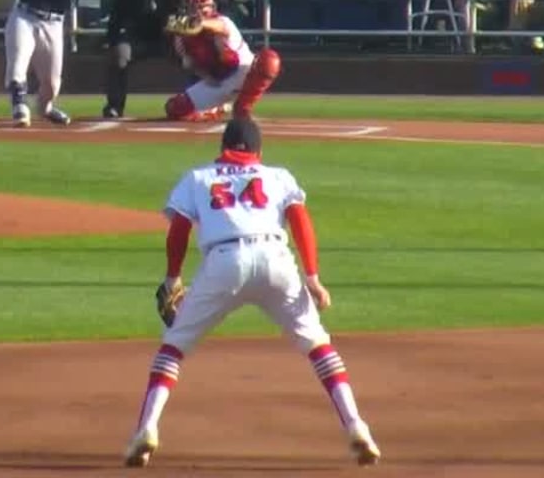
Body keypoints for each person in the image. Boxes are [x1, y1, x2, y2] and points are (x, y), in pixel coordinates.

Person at [122, 116, 381, 468]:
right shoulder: (277, 175)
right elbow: (301, 220)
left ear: (223, 147)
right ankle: (357, 427)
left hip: (224, 262)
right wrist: (313, 276)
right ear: (258, 150)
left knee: (173, 345)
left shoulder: (197, 178)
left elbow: (179, 231)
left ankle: (147, 430)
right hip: (276, 259)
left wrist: (173, 279)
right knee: (319, 345)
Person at [0, 0, 101, 127]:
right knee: (18, 62)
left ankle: (45, 108)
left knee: (52, 83)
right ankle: (19, 104)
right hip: (25, 15)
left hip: (53, 23)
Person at [162, 0, 282, 121]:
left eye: (201, 7)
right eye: (193, 8)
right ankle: (220, 108)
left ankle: (242, 109)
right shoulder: (182, 38)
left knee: (270, 61)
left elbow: (220, 27)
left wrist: (200, 24)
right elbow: (190, 65)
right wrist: (206, 76)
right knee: (174, 108)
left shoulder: (222, 21)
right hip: (217, 81)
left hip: (244, 73)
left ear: (211, 8)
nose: (197, 11)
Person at [103, 0, 188, 118]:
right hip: (137, 39)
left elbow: (193, 13)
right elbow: (115, 20)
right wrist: (111, 41)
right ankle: (115, 105)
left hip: (168, 39)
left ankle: (198, 101)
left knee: (191, 54)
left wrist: (180, 30)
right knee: (119, 54)